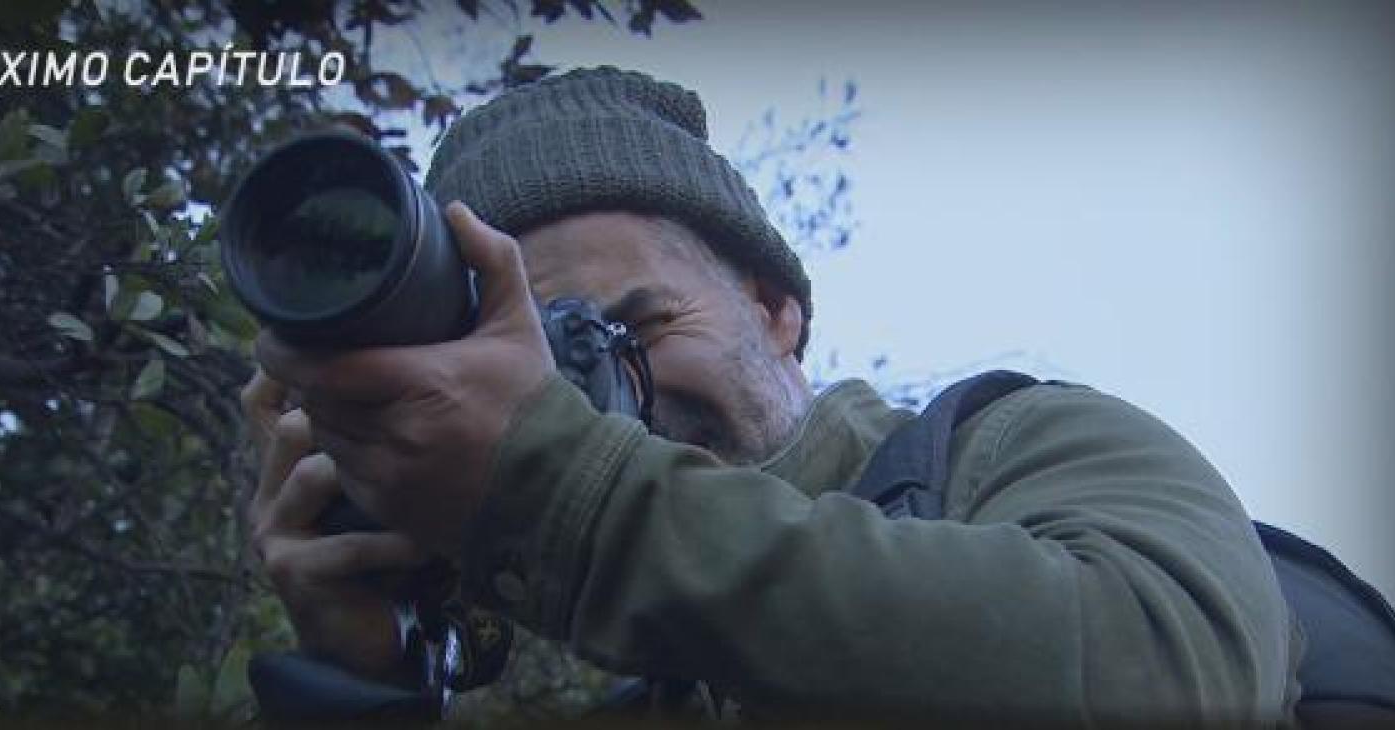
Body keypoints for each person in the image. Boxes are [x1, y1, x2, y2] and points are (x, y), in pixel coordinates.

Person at [240, 67, 1297, 723]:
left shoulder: (1022, 450)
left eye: (636, 327)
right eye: (543, 369)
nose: (595, 400)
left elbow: (1171, 682)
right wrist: (369, 676)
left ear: (775, 308)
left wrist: (559, 496)